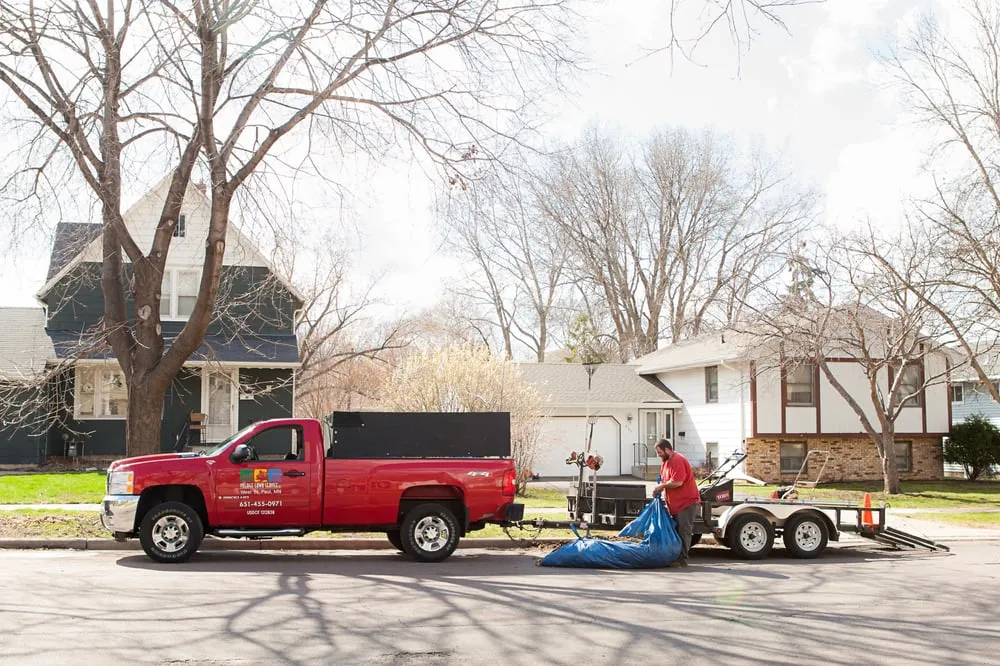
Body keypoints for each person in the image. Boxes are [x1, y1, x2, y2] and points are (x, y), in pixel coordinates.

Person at [651, 438, 701, 568]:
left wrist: (660, 487)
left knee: (683, 531)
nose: (659, 455)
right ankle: (674, 556)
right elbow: (664, 480)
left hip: (686, 503)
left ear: (667, 449)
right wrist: (660, 489)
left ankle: (682, 560)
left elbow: (678, 482)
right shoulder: (665, 462)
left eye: (660, 452)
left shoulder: (677, 460)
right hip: (675, 504)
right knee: (676, 531)